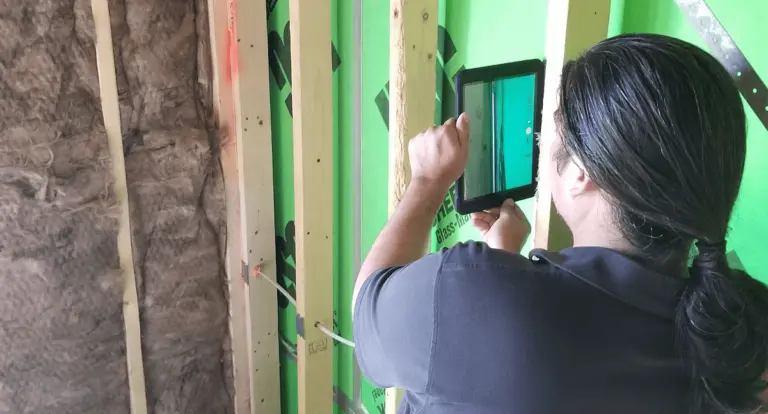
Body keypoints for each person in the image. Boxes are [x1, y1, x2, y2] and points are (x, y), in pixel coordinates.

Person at [351, 33, 768, 414]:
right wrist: (500, 266)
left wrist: (426, 182)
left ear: (581, 172)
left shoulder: (462, 292)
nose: (542, 138)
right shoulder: (743, 335)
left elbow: (366, 325)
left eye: (553, 126)